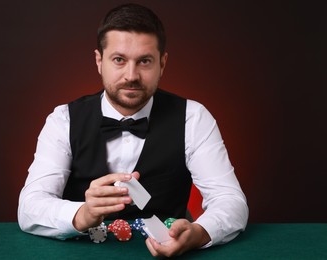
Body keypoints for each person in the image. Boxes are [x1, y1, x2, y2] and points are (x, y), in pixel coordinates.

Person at [18, 3, 248, 257]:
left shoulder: (193, 118)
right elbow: (29, 207)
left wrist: (199, 233)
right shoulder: (63, 119)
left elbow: (231, 201)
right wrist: (81, 214)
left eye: (145, 61)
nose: (131, 75)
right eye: (119, 60)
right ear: (99, 61)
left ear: (162, 63)